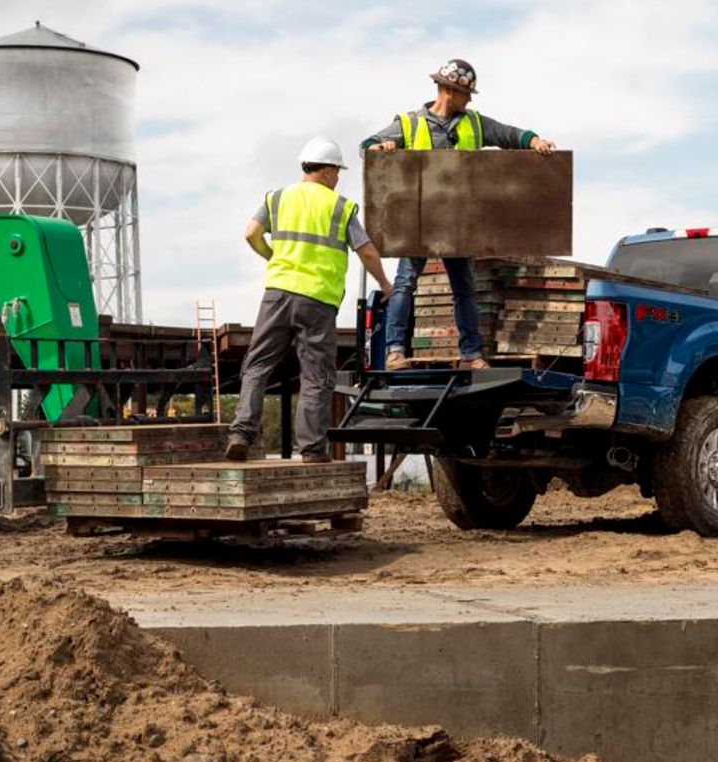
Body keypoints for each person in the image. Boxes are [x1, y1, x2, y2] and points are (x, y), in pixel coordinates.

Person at [362, 58, 556, 370]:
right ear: (450, 90)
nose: (469, 99)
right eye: (467, 93)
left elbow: (508, 134)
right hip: (420, 219)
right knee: (405, 283)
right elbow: (367, 145)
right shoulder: (410, 123)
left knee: (464, 288)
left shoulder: (475, 123)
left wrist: (534, 140)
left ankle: (471, 355)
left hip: (458, 221)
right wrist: (378, 148)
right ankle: (395, 350)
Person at [227, 138, 391, 462]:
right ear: (329, 171)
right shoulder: (339, 207)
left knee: (258, 365)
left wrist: (273, 257)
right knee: (316, 375)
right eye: (338, 171)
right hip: (317, 299)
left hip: (278, 292)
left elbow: (250, 233)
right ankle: (313, 449)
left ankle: (241, 434)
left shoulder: (277, 198)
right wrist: (385, 285)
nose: (338, 178)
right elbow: (367, 250)